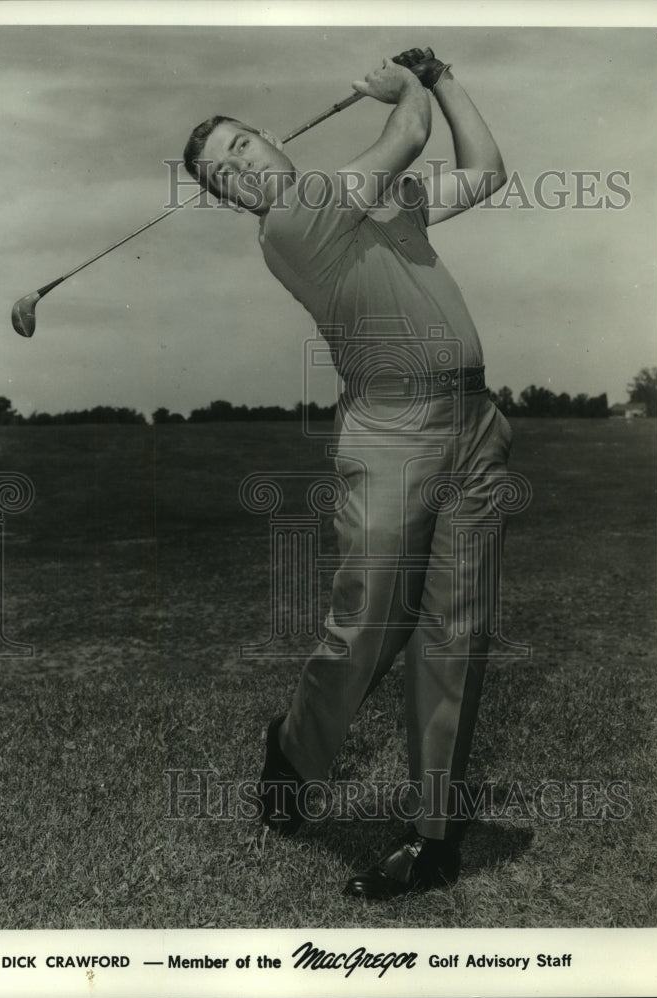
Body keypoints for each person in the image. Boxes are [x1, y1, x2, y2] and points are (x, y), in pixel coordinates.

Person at [183, 49, 511, 900]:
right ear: (231, 199)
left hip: (475, 424)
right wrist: (401, 91)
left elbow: (486, 172)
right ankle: (292, 750)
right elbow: (404, 135)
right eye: (225, 173)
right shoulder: (294, 220)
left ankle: (432, 839)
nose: (243, 167)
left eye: (243, 145)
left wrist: (442, 76)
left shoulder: (367, 203)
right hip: (392, 429)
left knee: (456, 632)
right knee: (365, 628)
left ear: (270, 138)